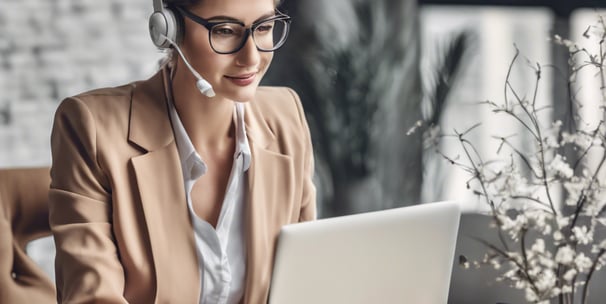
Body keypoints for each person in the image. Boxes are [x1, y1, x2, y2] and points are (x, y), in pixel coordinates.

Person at [48, 0, 316, 302]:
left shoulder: (286, 118)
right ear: (169, 28)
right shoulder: (91, 128)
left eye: (265, 27)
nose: (251, 56)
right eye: (225, 31)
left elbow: (304, 281)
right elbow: (93, 296)